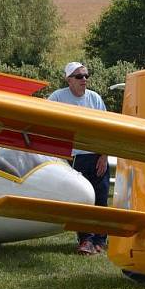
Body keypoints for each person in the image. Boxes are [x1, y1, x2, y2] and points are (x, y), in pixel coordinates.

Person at [48, 62, 109, 255]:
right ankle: (85, 239)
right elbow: (44, 122)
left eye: (86, 75)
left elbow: (107, 128)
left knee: (100, 199)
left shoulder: (95, 99)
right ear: (68, 80)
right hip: (72, 158)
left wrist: (104, 155)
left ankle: (100, 240)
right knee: (82, 199)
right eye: (79, 76)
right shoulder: (57, 97)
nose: (84, 79)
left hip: (97, 156)